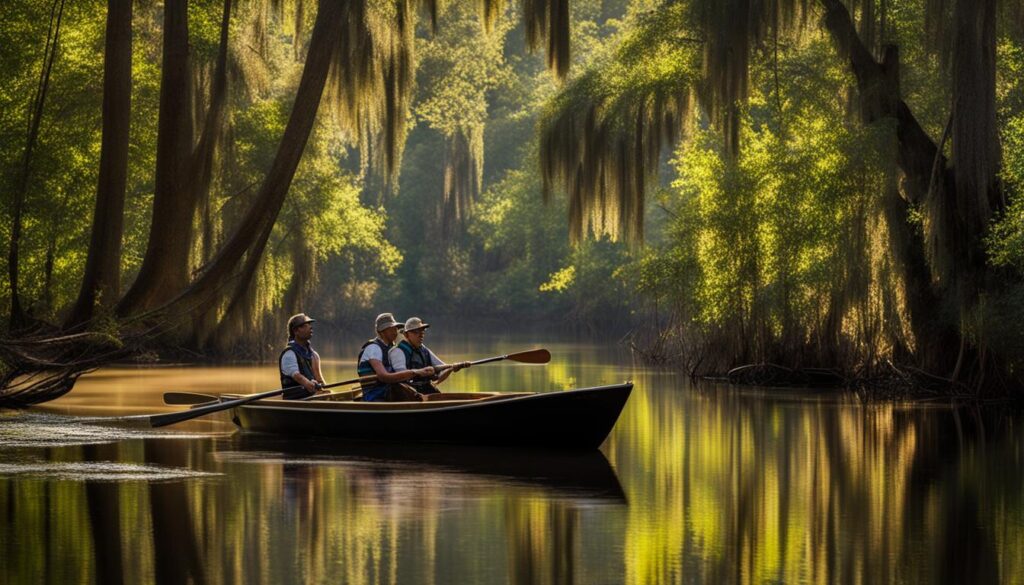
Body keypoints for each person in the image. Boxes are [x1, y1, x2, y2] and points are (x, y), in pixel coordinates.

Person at [356, 312, 435, 401]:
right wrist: (415, 372)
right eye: (391, 329)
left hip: (389, 392)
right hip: (374, 396)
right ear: (381, 332)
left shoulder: (391, 348)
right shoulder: (374, 348)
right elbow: (384, 377)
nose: (395, 332)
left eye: (396, 328)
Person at [390, 317, 470, 395]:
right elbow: (400, 376)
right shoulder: (398, 351)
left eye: (422, 331)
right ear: (406, 335)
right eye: (416, 332)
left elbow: (443, 368)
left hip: (425, 389)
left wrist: (452, 368)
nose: (421, 335)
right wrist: (420, 372)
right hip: (408, 394)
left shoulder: (424, 350)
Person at [279, 313, 325, 399]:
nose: (310, 327)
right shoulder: (289, 354)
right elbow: (297, 376)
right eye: (305, 325)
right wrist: (308, 383)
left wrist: (326, 391)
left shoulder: (314, 354)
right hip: (296, 400)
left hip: (312, 398)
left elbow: (320, 380)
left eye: (310, 325)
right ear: (296, 331)